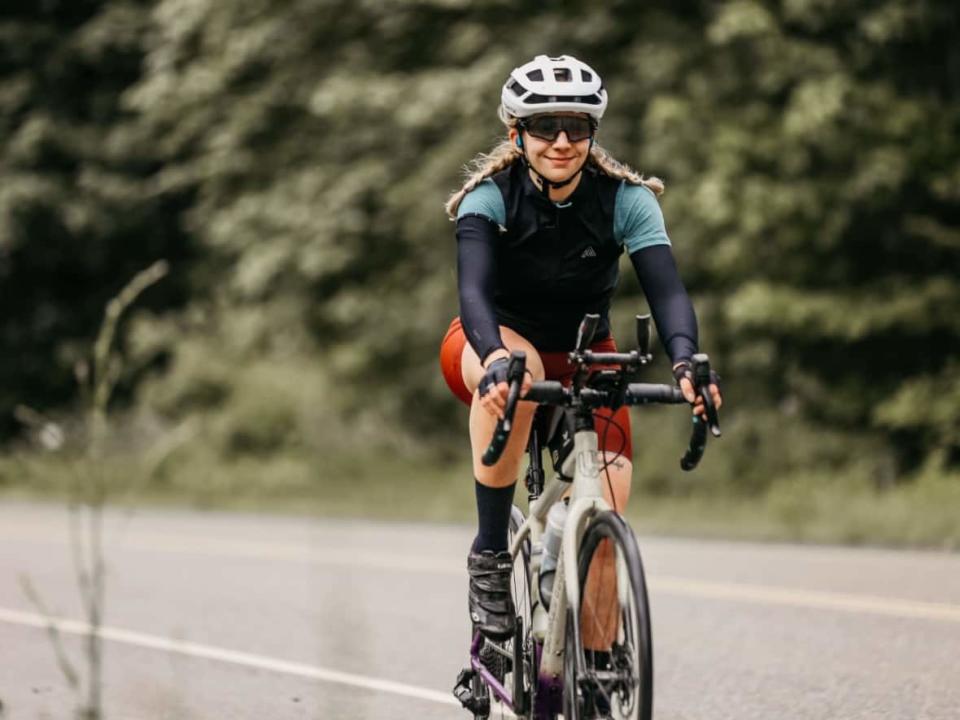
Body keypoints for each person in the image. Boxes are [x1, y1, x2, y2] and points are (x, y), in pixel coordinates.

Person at [439, 54, 723, 642]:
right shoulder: (489, 198)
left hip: (587, 353)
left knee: (609, 510)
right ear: (517, 133)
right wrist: (494, 358)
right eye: (545, 127)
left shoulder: (626, 199)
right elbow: (473, 293)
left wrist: (686, 359)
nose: (562, 141)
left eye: (577, 127)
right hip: (489, 341)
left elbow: (667, 291)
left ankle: (594, 666)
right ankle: (490, 556)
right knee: (519, 377)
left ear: (594, 132)